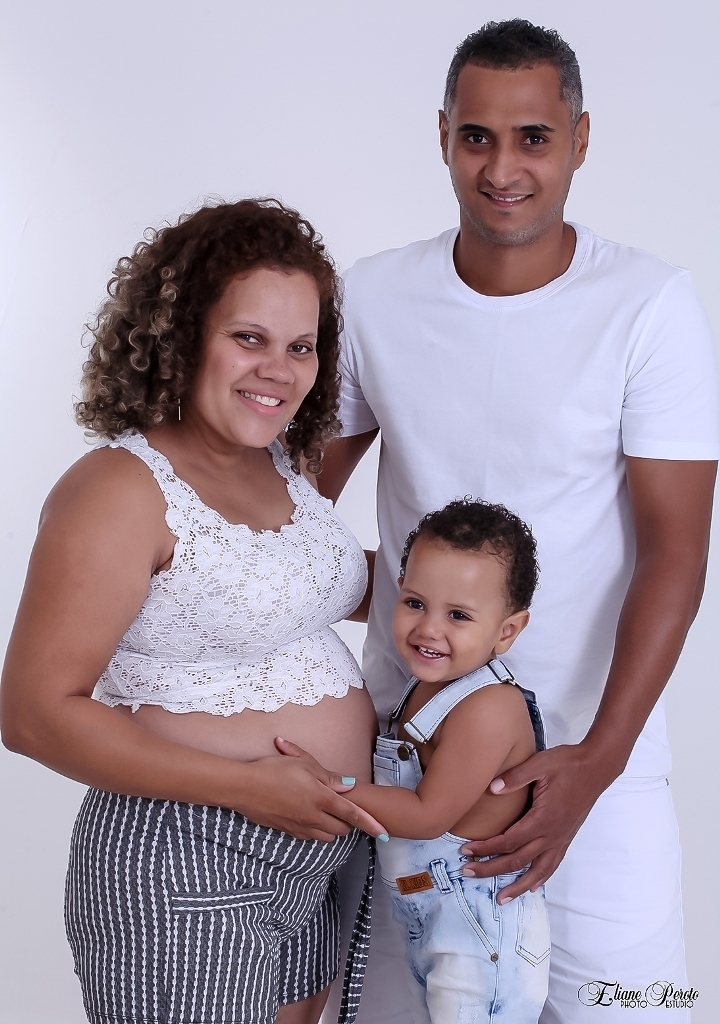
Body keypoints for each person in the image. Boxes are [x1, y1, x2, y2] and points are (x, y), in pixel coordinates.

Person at [318, 19, 719, 1024]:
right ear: (443, 136)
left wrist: (600, 761)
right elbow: (287, 510)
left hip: (589, 757)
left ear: (579, 139)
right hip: (411, 759)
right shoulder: (372, 297)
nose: (503, 170)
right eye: (477, 137)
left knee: (639, 1009)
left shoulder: (650, 305)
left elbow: (675, 553)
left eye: (534, 137)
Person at [0, 198, 389, 1024]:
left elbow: (299, 586)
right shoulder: (118, 490)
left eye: (300, 347)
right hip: (185, 860)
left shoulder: (278, 465)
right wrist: (246, 788)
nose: (278, 370)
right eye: (249, 338)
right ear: (182, 336)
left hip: (309, 864)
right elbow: (33, 715)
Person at [281, 498, 550, 1023]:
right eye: (415, 603)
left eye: (458, 615)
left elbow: (428, 815)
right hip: (431, 916)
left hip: (482, 931)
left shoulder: (489, 708)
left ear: (507, 631)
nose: (428, 628)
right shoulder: (427, 686)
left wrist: (324, 785)